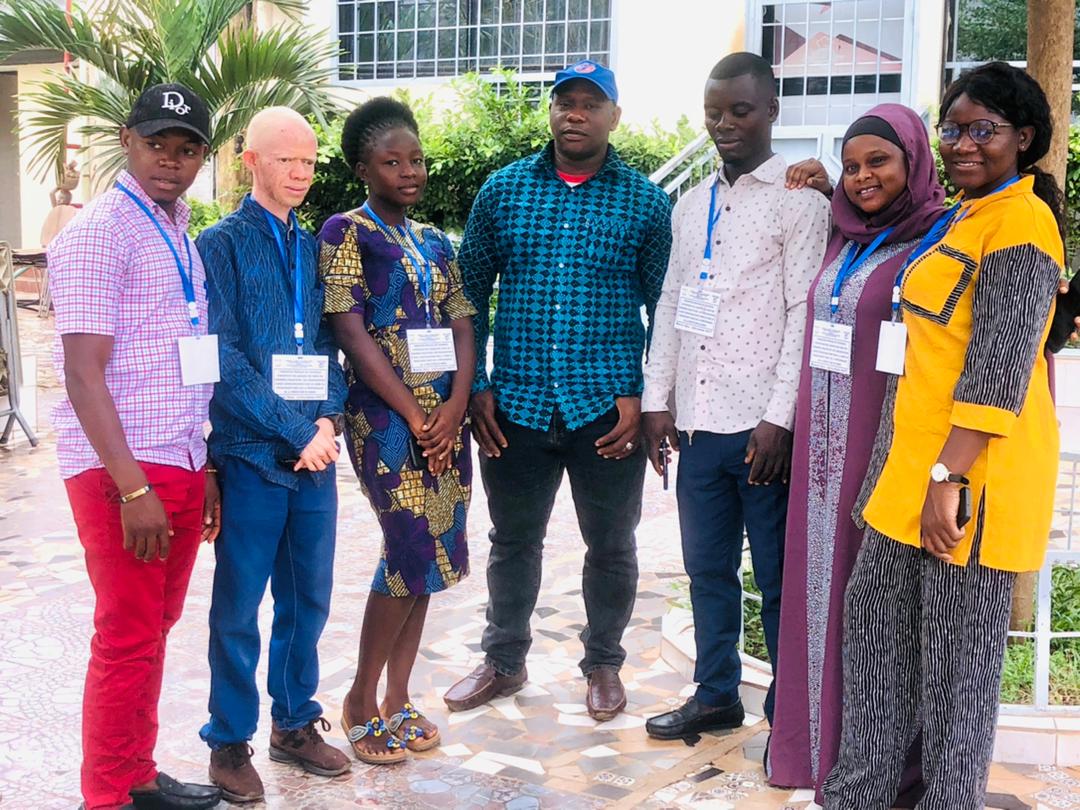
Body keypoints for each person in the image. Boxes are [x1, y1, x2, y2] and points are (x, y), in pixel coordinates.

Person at [822, 61, 1065, 810]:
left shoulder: (1023, 224)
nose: (963, 144)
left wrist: (947, 483)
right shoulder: (964, 215)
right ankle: (858, 795)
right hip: (908, 474)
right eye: (953, 129)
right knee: (873, 638)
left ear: (1024, 138)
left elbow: (997, 372)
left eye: (983, 129)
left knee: (958, 674)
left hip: (969, 483)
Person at [444, 60, 673, 722]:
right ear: (551, 111)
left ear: (613, 117)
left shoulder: (645, 204)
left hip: (605, 410)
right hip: (512, 406)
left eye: (590, 104)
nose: (575, 113)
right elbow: (468, 297)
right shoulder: (503, 191)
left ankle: (603, 663)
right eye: (564, 102)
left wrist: (642, 392)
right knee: (513, 540)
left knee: (612, 543)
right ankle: (504, 660)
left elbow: (664, 306)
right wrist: (478, 384)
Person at [642, 52, 830, 740]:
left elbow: (801, 315)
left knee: (777, 579)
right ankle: (716, 694)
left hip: (760, 429)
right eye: (714, 111)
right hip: (696, 425)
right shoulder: (691, 204)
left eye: (740, 110)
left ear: (772, 111)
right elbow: (670, 302)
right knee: (707, 572)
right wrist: (657, 398)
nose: (724, 124)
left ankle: (789, 713)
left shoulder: (800, 200)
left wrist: (779, 417)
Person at [48, 83, 222, 810]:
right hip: (122, 469)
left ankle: (137, 774)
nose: (170, 162)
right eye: (157, 145)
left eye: (186, 150)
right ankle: (108, 796)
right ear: (127, 139)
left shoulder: (177, 228)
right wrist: (133, 488)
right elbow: (84, 374)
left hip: (175, 457)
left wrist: (200, 459)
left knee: (153, 629)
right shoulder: (98, 232)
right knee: (125, 635)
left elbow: (181, 353)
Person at [765, 104, 945, 802]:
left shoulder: (939, 235)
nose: (863, 177)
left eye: (881, 161)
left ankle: (882, 770)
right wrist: (817, 186)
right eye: (852, 164)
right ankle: (815, 754)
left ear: (914, 163)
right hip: (819, 456)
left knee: (878, 620)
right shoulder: (843, 234)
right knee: (821, 602)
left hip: (885, 450)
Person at [197, 107, 350, 802]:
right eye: (287, 159)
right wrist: (297, 430)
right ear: (250, 159)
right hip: (253, 453)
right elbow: (222, 359)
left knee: (308, 600)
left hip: (312, 455)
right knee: (238, 606)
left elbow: (329, 341)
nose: (300, 173)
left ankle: (294, 723)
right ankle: (229, 741)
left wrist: (328, 419)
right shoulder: (219, 244)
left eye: (310, 162)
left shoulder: (314, 246)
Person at [318, 97, 477, 764]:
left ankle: (399, 697)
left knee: (434, 556)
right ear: (363, 167)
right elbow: (350, 331)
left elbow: (464, 321)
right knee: (405, 545)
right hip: (383, 418)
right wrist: (415, 416)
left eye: (416, 159)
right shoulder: (344, 232)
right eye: (392, 161)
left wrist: (455, 407)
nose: (409, 171)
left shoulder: (437, 241)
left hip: (446, 414)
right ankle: (359, 698)